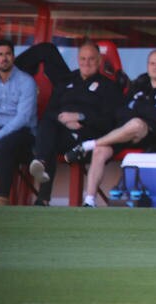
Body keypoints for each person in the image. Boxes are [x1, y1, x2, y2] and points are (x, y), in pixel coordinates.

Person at [63, 50, 156, 208]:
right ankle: (90, 200)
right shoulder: (139, 86)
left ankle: (88, 145)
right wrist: (143, 108)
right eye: (152, 63)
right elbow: (119, 112)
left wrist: (136, 107)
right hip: (124, 134)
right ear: (147, 66)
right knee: (101, 150)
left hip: (152, 136)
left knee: (136, 123)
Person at [29, 41, 124, 206]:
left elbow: (110, 122)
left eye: (91, 59)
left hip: (88, 139)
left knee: (48, 138)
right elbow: (51, 110)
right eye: (83, 58)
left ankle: (42, 173)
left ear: (99, 61)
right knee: (48, 126)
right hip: (64, 133)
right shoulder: (66, 81)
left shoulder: (109, 87)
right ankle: (42, 182)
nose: (86, 63)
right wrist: (65, 120)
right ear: (77, 60)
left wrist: (81, 117)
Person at [0, 40, 37, 206]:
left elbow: (23, 118)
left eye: (8, 54)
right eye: (0, 55)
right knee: (2, 143)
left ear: (13, 57)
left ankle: (2, 198)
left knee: (5, 145)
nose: (4, 58)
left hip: (24, 132)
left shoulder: (26, 81)